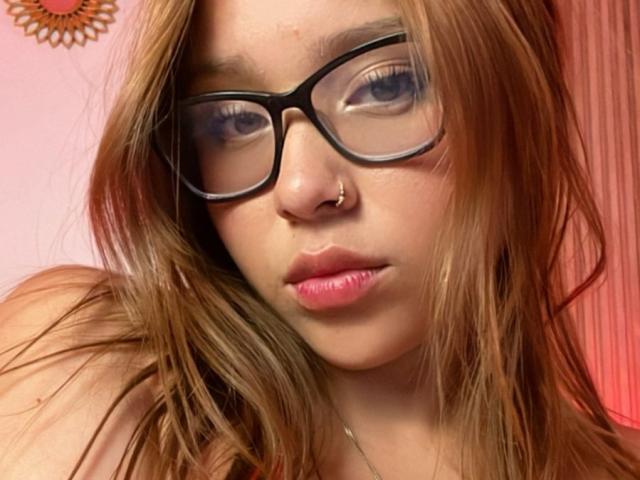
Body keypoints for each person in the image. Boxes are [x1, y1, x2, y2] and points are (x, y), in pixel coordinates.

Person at [1, 0, 639, 479]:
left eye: (386, 85)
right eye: (231, 121)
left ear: (518, 97)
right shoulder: (100, 374)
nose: (301, 188)